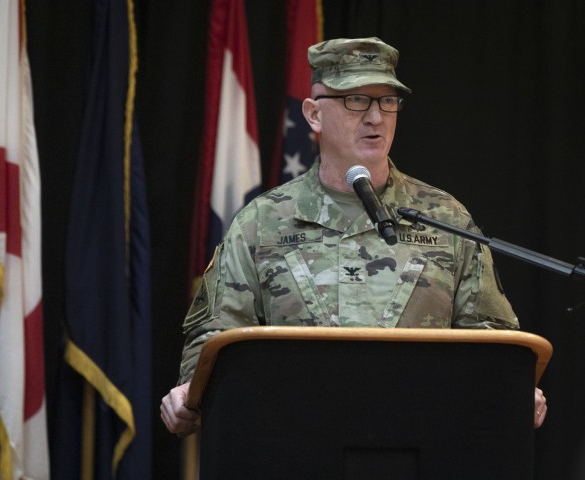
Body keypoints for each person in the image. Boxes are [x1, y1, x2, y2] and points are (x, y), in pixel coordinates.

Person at [160, 36, 548, 435]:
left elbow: (491, 336)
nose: (376, 118)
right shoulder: (262, 221)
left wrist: (515, 385)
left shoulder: (444, 216)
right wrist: (189, 390)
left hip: (421, 438)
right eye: (356, 100)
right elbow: (215, 338)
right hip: (292, 437)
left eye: (387, 101)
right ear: (313, 114)